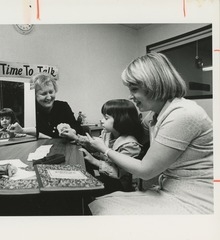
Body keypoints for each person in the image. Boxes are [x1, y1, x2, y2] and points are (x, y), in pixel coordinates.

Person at [86, 52, 213, 214]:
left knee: (105, 210)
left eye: (134, 89)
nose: (130, 96)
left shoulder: (183, 114)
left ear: (153, 85)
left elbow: (146, 171)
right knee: (100, 204)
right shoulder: (155, 114)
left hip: (196, 196)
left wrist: (105, 149)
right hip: (169, 188)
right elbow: (133, 132)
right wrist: (82, 139)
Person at [62, 99, 143, 193]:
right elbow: (95, 145)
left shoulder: (130, 145)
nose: (102, 120)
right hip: (106, 175)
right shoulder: (107, 134)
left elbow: (119, 173)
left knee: (82, 190)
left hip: (119, 185)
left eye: (106, 118)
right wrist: (75, 137)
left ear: (121, 120)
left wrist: (94, 161)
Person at [18, 72, 83, 138]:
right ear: (34, 95)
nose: (49, 97)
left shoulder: (63, 106)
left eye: (51, 92)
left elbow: (78, 128)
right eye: (43, 94)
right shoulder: (29, 111)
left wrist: (72, 131)